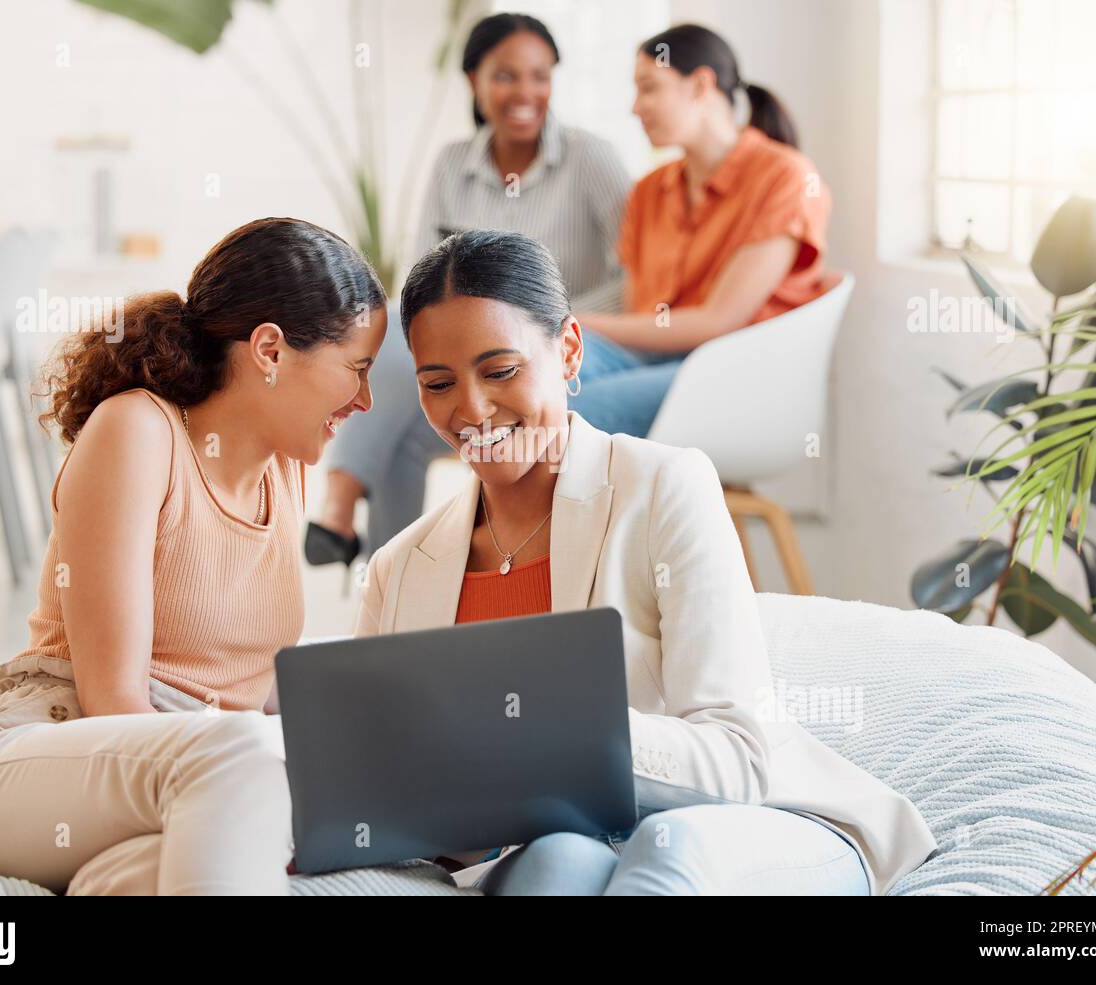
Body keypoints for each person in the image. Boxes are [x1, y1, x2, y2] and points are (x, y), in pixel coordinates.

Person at [354, 229, 937, 895]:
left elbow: (739, 756)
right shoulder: (399, 569)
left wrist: (552, 741)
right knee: (552, 864)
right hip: (570, 846)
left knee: (667, 846)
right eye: (438, 382)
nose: (472, 409)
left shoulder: (665, 487)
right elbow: (401, 800)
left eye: (500, 370)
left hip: (751, 824)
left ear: (569, 350)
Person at [0, 218, 388, 895]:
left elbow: (246, 678)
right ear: (270, 350)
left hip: (171, 792)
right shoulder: (137, 431)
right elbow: (114, 700)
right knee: (251, 756)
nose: (366, 400)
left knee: (145, 873)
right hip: (35, 759)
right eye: (357, 369)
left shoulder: (286, 467)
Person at [307, 11, 632, 566]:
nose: (525, 91)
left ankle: (340, 510)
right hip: (462, 347)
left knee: (403, 429)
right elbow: (421, 282)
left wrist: (541, 320)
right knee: (396, 344)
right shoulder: (452, 164)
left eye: (540, 75)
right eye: (506, 76)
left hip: (558, 343)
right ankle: (397, 590)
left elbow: (635, 277)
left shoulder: (591, 159)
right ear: (474, 84)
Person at [566, 22, 834, 439]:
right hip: (651, 357)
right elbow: (642, 313)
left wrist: (574, 322)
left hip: (734, 373)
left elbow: (719, 322)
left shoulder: (786, 177)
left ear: (700, 85)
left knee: (561, 408)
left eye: (649, 87)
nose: (635, 107)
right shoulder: (649, 190)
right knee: (527, 379)